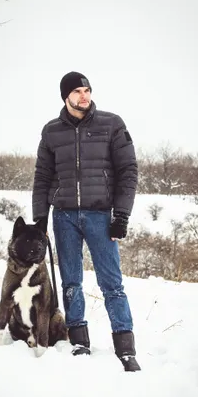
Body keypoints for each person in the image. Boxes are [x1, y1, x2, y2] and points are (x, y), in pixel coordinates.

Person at [32, 71, 141, 371]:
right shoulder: (51, 131)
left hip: (100, 215)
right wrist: (40, 218)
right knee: (71, 282)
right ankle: (79, 341)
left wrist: (121, 215)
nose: (84, 96)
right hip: (64, 215)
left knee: (112, 283)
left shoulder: (112, 124)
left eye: (87, 90)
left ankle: (125, 347)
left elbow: (128, 170)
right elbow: (42, 177)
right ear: (65, 96)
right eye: (78, 91)